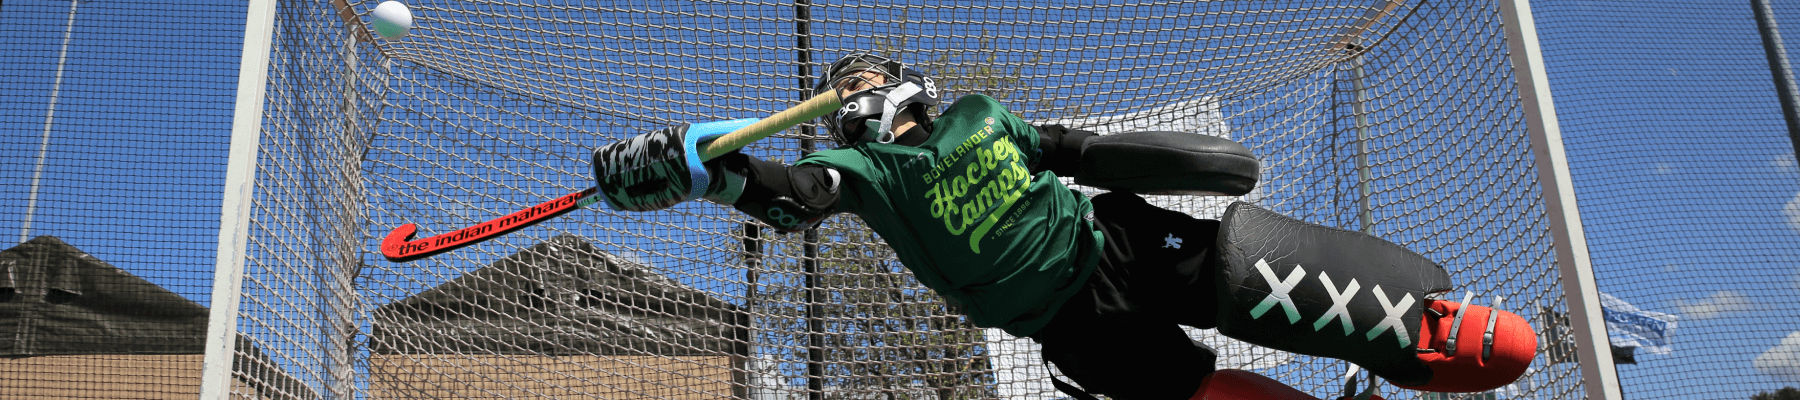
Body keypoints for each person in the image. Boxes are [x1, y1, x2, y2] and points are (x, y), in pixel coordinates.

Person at [592, 54, 1536, 400]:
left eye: (873, 76)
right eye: (851, 86)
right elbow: (791, 196)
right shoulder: (861, 171)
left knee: (1242, 274)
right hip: (1071, 328)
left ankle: (1421, 324)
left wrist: (1206, 166)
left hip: (1110, 240)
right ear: (842, 113)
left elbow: (1076, 150)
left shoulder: (978, 114)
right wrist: (700, 175)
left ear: (900, 82)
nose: (867, 89)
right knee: (1195, 392)